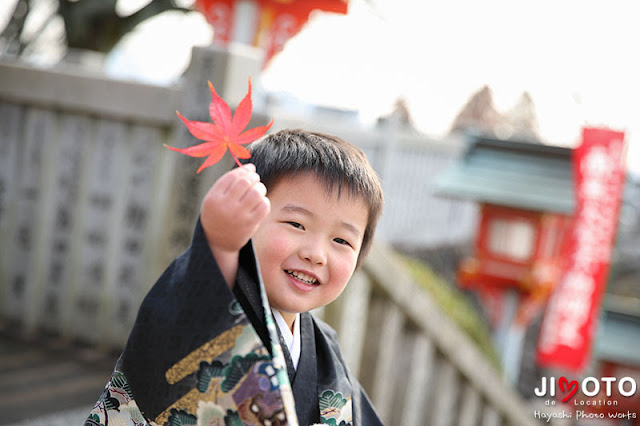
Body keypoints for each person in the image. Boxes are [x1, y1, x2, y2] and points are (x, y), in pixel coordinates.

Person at [86, 129, 384, 426]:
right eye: (296, 223)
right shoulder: (209, 312)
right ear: (247, 219)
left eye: (342, 241)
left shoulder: (326, 349)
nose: (316, 254)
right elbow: (197, 304)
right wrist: (219, 242)